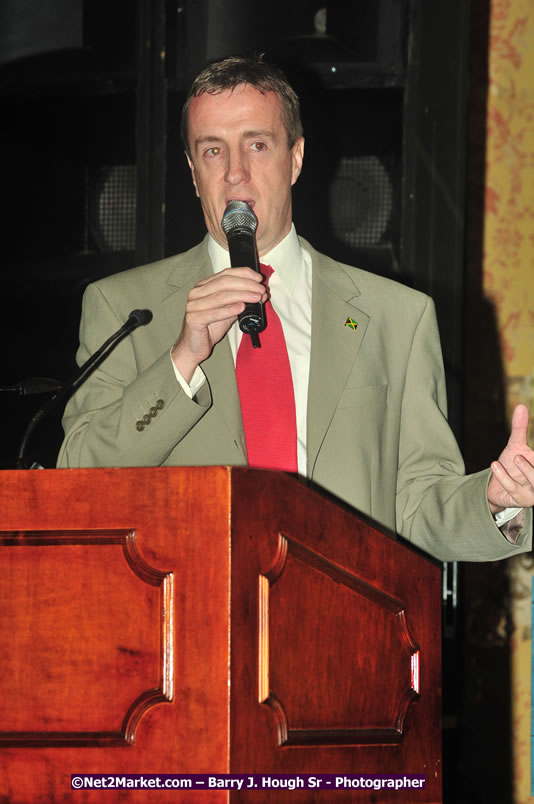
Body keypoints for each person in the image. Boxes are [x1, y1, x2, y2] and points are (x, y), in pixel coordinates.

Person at [57, 55, 534, 562]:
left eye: (257, 145)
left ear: (297, 158)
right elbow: (77, 483)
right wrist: (180, 362)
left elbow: (416, 503)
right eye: (213, 150)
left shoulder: (397, 317)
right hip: (189, 623)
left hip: (341, 619)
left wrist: (494, 503)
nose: (235, 173)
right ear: (193, 173)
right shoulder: (125, 308)